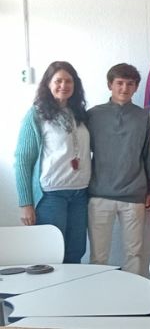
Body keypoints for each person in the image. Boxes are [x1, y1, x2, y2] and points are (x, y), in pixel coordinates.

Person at [14, 61, 90, 263]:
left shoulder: (80, 114)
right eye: (58, 81)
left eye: (68, 81)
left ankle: (73, 285)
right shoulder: (36, 114)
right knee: (51, 255)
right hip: (51, 195)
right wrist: (26, 203)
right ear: (48, 83)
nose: (63, 85)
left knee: (76, 252)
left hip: (80, 194)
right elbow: (22, 160)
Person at [87, 63, 150, 274]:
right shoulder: (93, 115)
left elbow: (148, 155)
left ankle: (132, 294)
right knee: (98, 256)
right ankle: (98, 293)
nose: (124, 88)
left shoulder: (144, 117)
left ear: (136, 87)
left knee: (134, 253)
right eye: (119, 83)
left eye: (130, 84)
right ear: (110, 85)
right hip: (99, 193)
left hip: (134, 194)